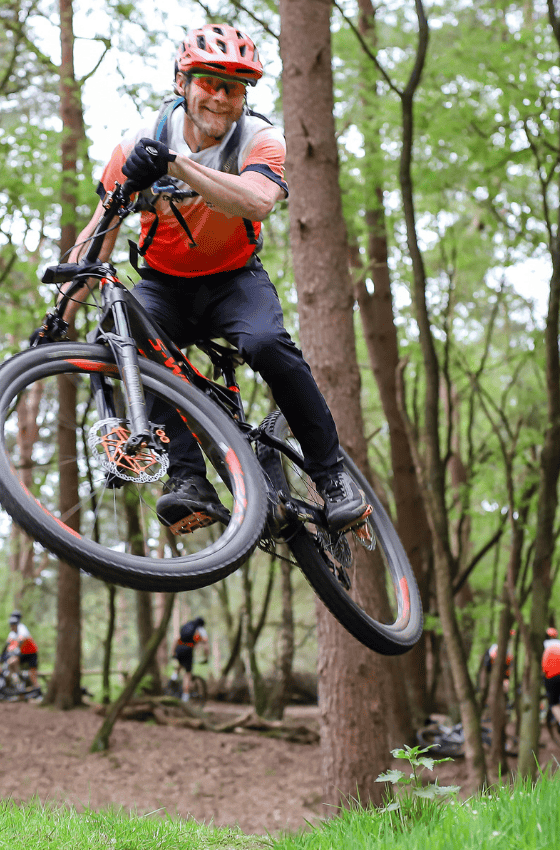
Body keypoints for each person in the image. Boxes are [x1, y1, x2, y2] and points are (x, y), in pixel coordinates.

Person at [59, 23, 369, 535]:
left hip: (235, 282)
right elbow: (101, 233)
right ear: (182, 82)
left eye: (235, 88)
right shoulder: (141, 140)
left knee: (268, 343)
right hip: (164, 284)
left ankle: (332, 475)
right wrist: (59, 319)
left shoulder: (260, 137)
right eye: (209, 82)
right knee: (123, 338)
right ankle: (187, 482)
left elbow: (257, 201)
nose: (221, 98)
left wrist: (175, 166)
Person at [173, 616, 209, 701]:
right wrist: (206, 657)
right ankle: (185, 696)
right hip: (188, 650)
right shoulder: (200, 629)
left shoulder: (186, 626)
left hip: (179, 649)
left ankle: (173, 677)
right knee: (187, 674)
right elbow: (206, 646)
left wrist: (173, 651)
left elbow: (177, 639)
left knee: (181, 664)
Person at [5, 610, 40, 692]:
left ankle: (38, 692)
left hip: (32, 653)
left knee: (32, 675)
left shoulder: (22, 627)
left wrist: (14, 646)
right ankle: (18, 680)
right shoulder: (13, 631)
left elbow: (21, 638)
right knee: (11, 662)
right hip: (23, 653)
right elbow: (9, 641)